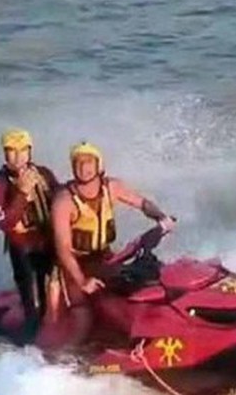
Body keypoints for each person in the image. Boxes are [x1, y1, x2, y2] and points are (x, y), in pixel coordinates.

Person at [47, 142, 174, 350]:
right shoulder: (64, 201)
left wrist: (161, 217)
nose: (83, 167)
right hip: (74, 265)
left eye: (88, 162)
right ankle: (64, 361)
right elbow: (63, 249)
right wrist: (82, 281)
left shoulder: (112, 188)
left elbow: (142, 203)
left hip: (104, 257)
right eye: (78, 163)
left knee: (136, 282)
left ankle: (153, 333)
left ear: (98, 165)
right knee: (83, 317)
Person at [0, 129, 60, 343]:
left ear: (30, 151)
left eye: (23, 151)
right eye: (11, 152)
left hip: (50, 245)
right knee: (35, 306)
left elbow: (62, 200)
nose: (18, 157)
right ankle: (25, 345)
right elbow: (5, 223)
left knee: (58, 301)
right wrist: (23, 193)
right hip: (24, 250)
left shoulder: (43, 174)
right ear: (4, 154)